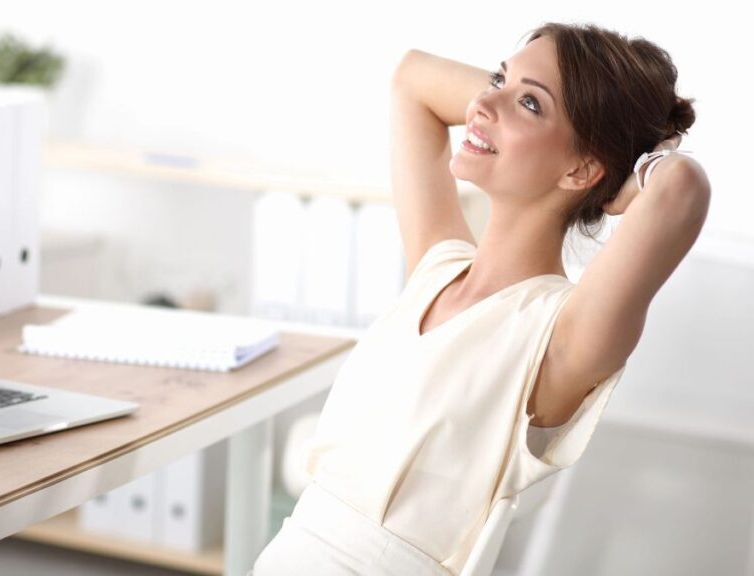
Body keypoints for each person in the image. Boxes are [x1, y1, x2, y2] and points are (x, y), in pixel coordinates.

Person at [250, 21, 710, 576]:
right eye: (498, 78)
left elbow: (681, 188)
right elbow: (412, 78)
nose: (484, 102)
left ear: (581, 169)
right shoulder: (437, 267)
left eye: (531, 104)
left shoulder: (558, 336)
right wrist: (524, 103)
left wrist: (627, 177)